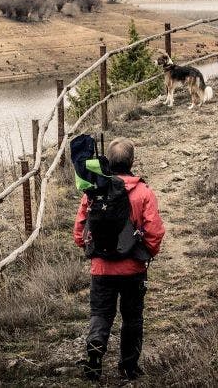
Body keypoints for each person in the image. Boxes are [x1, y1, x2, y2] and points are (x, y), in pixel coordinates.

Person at [73, 137, 165, 381]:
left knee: (101, 313)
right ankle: (128, 368)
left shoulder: (94, 191)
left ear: (108, 162)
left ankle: (95, 348)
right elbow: (155, 231)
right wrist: (144, 254)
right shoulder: (143, 192)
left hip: (101, 270)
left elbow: (79, 231)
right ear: (132, 161)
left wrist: (93, 250)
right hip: (133, 269)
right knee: (132, 317)